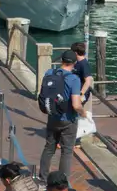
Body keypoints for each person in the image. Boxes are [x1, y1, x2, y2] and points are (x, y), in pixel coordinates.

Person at [36, 47, 85, 181]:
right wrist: (83, 113)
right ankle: (63, 181)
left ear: (62, 60)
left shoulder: (49, 72)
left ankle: (43, 177)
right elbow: (75, 104)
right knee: (67, 151)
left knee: (49, 148)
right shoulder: (74, 79)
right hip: (68, 119)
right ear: (74, 63)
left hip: (52, 115)